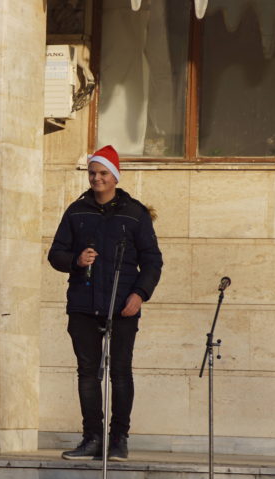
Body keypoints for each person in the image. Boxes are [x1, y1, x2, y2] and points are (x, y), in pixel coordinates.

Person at [48, 145, 162, 462]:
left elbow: (153, 261)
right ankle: (92, 438)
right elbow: (55, 254)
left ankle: (119, 439)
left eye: (103, 173)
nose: (97, 178)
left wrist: (139, 295)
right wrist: (75, 259)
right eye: (93, 173)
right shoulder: (76, 211)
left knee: (121, 372)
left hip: (122, 305)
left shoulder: (134, 213)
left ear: (115, 177)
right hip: (83, 304)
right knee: (87, 372)